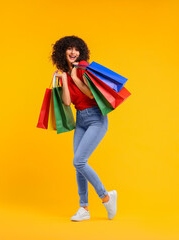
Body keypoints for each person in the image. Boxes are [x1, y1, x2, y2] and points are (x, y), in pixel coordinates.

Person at [51, 35, 117, 221]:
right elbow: (67, 101)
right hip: (81, 119)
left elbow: (91, 94)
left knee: (79, 161)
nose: (73, 52)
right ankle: (84, 208)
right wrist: (64, 77)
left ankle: (106, 197)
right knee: (78, 165)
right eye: (69, 49)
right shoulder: (64, 73)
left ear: (81, 52)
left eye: (76, 49)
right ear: (62, 51)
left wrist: (74, 77)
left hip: (96, 118)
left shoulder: (83, 68)